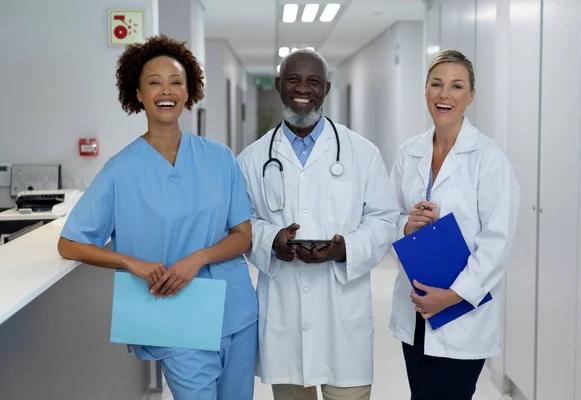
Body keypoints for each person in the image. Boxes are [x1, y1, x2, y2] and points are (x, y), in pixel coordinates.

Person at [57, 35, 257, 400]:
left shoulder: (219, 157)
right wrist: (129, 262)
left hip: (237, 311)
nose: (167, 90)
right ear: (138, 93)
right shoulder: (121, 170)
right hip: (174, 316)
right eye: (155, 82)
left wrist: (197, 259)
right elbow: (69, 244)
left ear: (189, 91)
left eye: (176, 82)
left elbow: (243, 235)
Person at [237, 48, 399, 400]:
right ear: (279, 85)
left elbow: (384, 218)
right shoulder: (251, 159)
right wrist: (271, 239)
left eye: (313, 81)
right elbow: (242, 223)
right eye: (293, 79)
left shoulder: (362, 152)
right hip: (284, 313)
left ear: (325, 89)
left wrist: (347, 249)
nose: (303, 89)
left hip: (343, 314)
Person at [389, 49, 520, 399]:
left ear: (471, 96)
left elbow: (497, 242)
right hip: (416, 309)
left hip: (460, 312)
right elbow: (389, 215)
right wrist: (406, 225)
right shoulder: (409, 152)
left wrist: (452, 296)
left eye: (457, 86)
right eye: (436, 84)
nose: (445, 94)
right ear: (426, 91)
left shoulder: (489, 159)